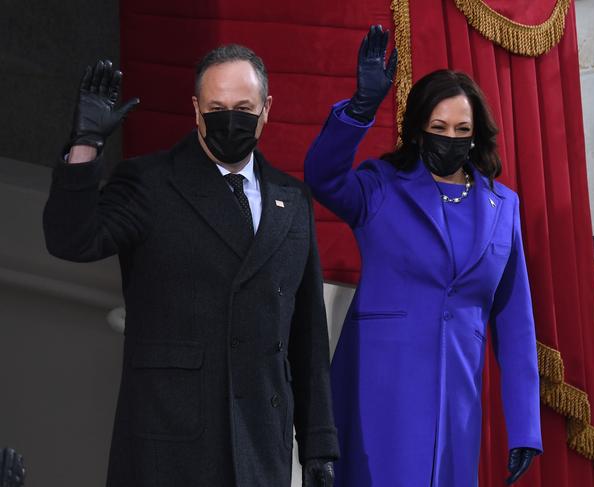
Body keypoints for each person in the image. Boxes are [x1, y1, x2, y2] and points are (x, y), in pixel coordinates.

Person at [43, 46, 338, 487]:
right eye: (217, 108)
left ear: (267, 110)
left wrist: (318, 446)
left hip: (259, 445)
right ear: (196, 109)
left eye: (243, 108)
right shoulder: (149, 182)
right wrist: (86, 146)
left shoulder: (291, 200)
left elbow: (308, 335)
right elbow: (71, 240)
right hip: (170, 444)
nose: (229, 120)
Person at [304, 25, 542, 487]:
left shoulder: (503, 206)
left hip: (457, 403)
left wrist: (525, 427)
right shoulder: (379, 187)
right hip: (377, 393)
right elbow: (322, 176)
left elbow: (515, 323)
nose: (450, 138)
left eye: (461, 130)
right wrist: (359, 109)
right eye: (438, 128)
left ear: (476, 136)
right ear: (417, 130)